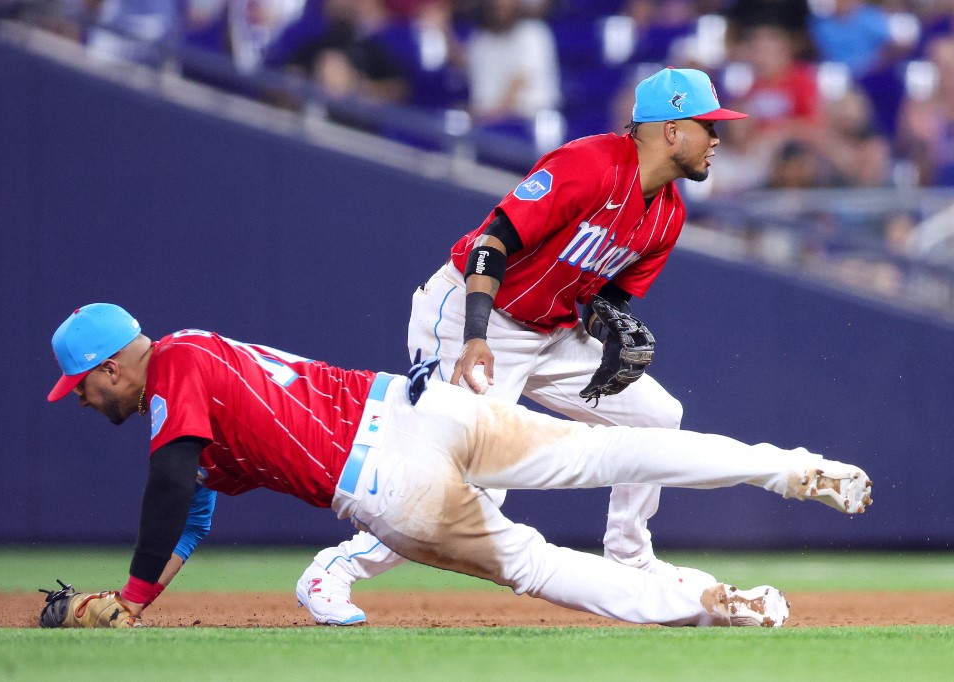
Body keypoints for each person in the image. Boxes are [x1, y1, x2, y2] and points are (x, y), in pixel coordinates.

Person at [45, 302, 873, 629]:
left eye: (80, 388)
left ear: (113, 368)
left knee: (536, 564)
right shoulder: (199, 358)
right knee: (606, 447)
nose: (81, 402)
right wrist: (143, 596)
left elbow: (169, 481)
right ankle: (788, 467)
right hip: (420, 407)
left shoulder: (175, 372)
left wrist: (130, 600)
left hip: (387, 482)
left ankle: (715, 607)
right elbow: (192, 503)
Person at [297, 66, 774, 626]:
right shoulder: (590, 163)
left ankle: (630, 555)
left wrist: (611, 330)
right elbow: (491, 242)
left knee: (656, 414)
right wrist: (474, 335)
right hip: (472, 313)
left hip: (548, 331)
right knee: (477, 481)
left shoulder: (668, 213)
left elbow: (606, 298)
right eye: (707, 126)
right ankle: (336, 568)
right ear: (670, 130)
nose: (717, 139)